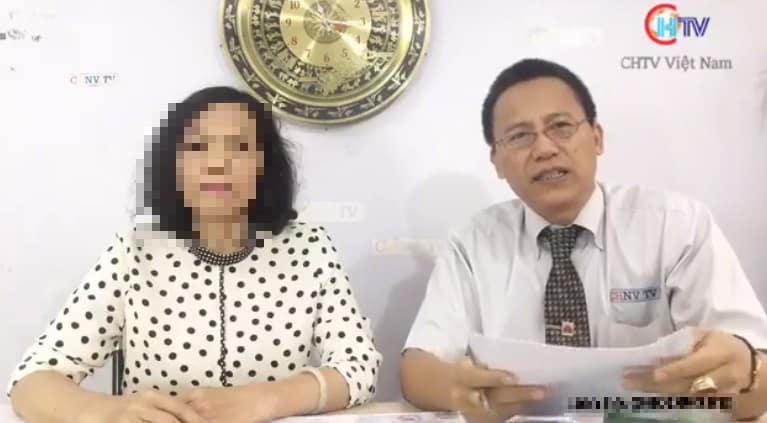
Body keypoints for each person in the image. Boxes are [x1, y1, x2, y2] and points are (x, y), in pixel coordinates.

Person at [399, 58, 767, 422]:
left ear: (596, 137)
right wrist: (461, 392)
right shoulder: (472, 244)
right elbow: (416, 369)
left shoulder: (676, 225)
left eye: (560, 127)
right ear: (496, 160)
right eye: (520, 136)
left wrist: (746, 373)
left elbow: (757, 380)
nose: (544, 149)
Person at [8, 86, 382, 423]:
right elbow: (31, 381)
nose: (217, 164)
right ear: (174, 167)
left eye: (239, 147)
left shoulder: (309, 248)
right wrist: (106, 412)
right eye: (198, 147)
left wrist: (264, 400)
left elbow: (358, 367)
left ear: (264, 167)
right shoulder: (136, 251)